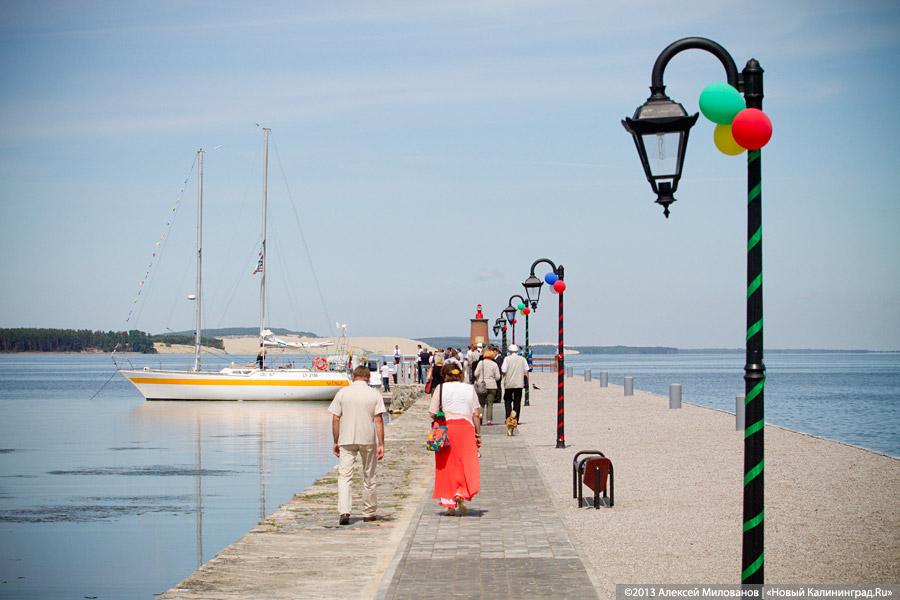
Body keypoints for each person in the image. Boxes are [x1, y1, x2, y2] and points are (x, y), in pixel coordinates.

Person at [328, 365, 386, 525]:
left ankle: (344, 511)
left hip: (346, 439)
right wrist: (381, 443)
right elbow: (379, 420)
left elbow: (335, 418)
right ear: (368, 377)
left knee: (345, 475)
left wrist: (335, 440)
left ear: (354, 376)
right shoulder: (374, 394)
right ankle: (369, 512)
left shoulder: (342, 393)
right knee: (369, 475)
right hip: (367, 438)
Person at [429, 364, 481, 515]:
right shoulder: (469, 389)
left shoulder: (441, 388)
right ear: (460, 375)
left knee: (447, 465)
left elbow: (432, 413)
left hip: (447, 430)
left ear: (445, 375)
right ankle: (461, 493)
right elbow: (476, 413)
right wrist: (478, 434)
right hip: (466, 429)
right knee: (466, 463)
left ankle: (449, 504)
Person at [501, 344, 529, 423]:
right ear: (517, 351)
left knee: (507, 401)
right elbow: (526, 370)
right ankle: (516, 418)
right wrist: (525, 381)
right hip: (519, 383)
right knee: (517, 401)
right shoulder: (522, 359)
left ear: (509, 351)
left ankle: (508, 417)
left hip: (509, 383)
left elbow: (503, 370)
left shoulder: (507, 359)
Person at [473, 346, 501, 425]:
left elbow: (475, 374)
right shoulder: (494, 364)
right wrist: (492, 379)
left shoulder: (480, 363)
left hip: (482, 385)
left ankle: (480, 417)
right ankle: (489, 420)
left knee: (481, 403)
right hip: (492, 386)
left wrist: (480, 377)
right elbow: (498, 377)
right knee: (490, 404)